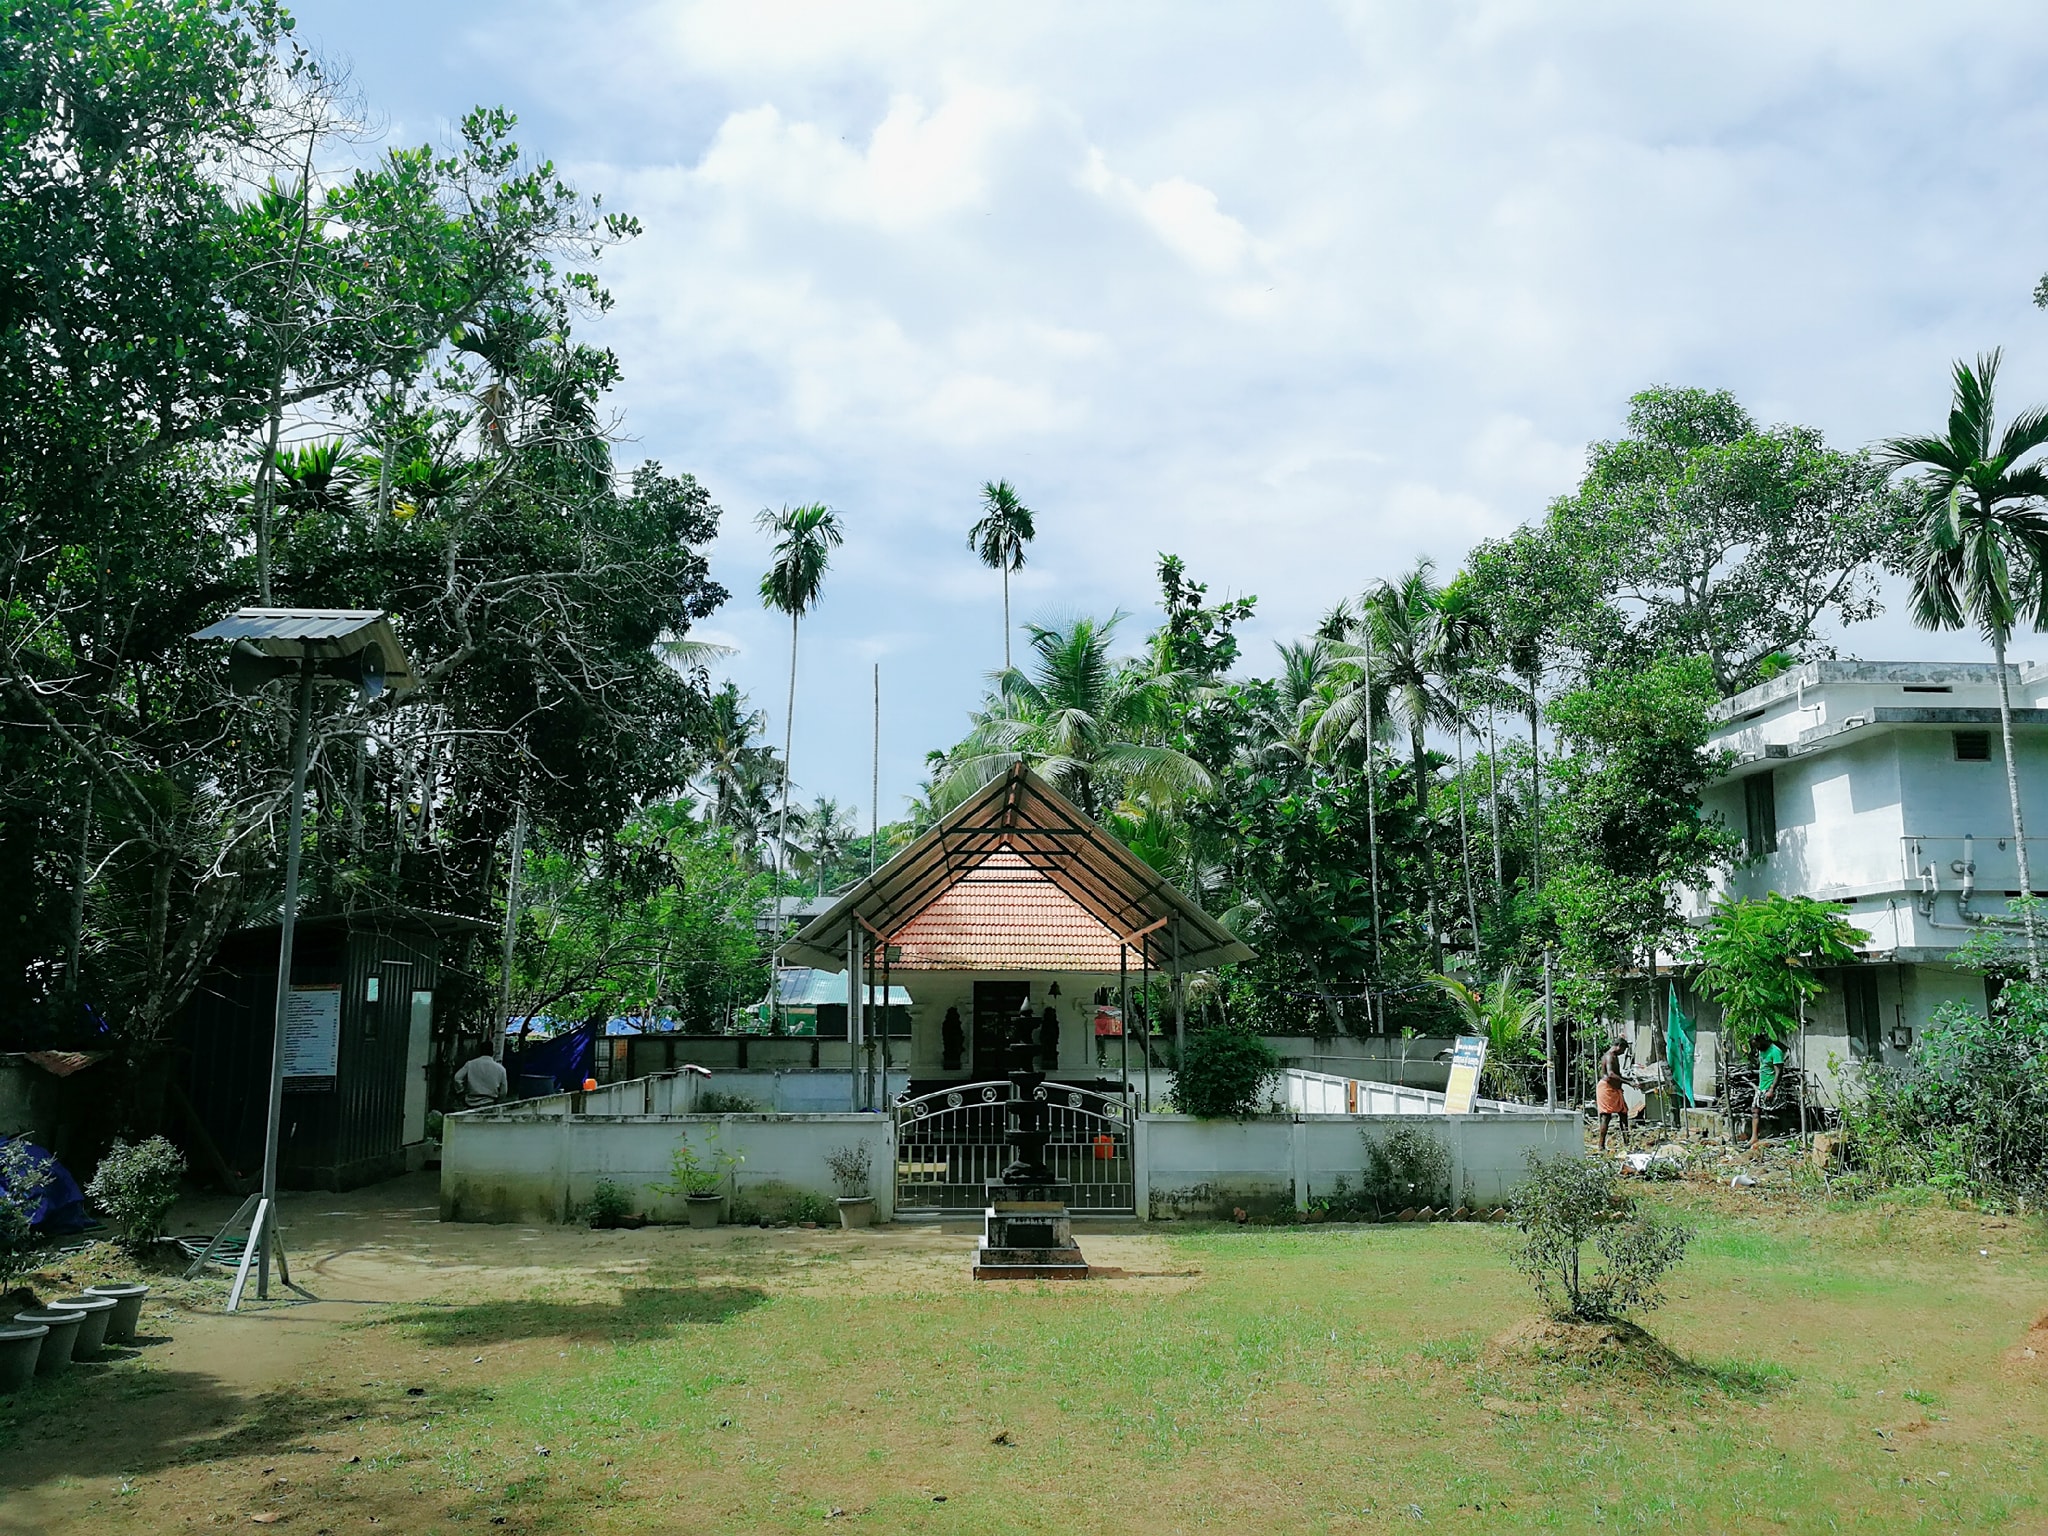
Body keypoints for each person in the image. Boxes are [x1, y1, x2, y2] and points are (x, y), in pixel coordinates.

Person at [1596, 1037, 1632, 1152]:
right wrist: (1628, 1082)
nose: (1622, 1053)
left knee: (1623, 1113)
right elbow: (1611, 1074)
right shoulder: (1609, 1056)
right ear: (1619, 1046)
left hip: (1615, 1089)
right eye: (1623, 1050)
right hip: (1607, 1088)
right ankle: (1601, 1146)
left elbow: (1617, 1075)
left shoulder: (1614, 1056)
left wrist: (1628, 1079)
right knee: (1606, 1116)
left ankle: (1627, 1142)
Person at [452, 1038, 508, 1110]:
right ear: (492, 1052)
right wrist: (498, 1100)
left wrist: (461, 1092)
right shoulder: (501, 1069)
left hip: (470, 1102)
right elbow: (504, 1091)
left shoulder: (470, 1064)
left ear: (480, 1051)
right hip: (490, 1103)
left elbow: (457, 1078)